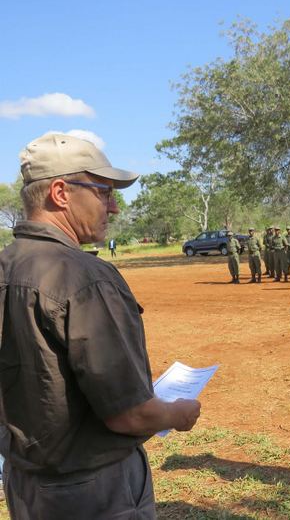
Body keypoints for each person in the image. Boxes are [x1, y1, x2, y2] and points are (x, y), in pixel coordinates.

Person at [0, 133, 201, 519]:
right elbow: (129, 414)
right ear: (60, 192)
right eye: (104, 192)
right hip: (93, 492)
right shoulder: (84, 278)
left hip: (24, 484)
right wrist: (179, 412)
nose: (113, 208)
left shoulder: (7, 267)